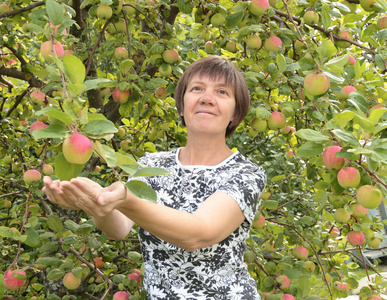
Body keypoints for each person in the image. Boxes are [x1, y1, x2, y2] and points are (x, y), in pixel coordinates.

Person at [43, 56, 267, 299]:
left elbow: (198, 233)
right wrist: (98, 203)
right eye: (197, 88)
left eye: (222, 92)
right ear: (182, 106)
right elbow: (118, 228)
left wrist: (127, 200)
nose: (206, 98)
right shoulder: (152, 165)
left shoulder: (246, 174)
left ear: (235, 113)